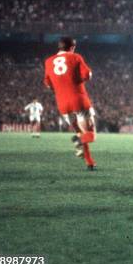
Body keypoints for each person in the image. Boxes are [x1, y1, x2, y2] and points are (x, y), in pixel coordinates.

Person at [44, 36, 97, 170]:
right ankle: (77, 142)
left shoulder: (48, 61)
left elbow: (48, 84)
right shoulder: (75, 57)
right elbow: (87, 75)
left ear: (59, 47)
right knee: (90, 135)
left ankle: (89, 162)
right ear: (72, 48)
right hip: (78, 100)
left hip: (62, 104)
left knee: (80, 133)